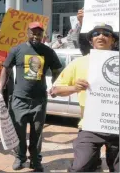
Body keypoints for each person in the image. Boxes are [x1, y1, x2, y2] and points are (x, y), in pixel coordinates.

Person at [51, 23, 119, 172]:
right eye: (96, 34)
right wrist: (74, 87)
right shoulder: (79, 63)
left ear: (113, 40)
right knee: (80, 167)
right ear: (90, 41)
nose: (101, 36)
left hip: (117, 127)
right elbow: (55, 90)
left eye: (106, 34)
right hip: (90, 126)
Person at [0, 22, 63, 172]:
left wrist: (54, 85)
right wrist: (0, 91)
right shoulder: (17, 50)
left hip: (39, 101)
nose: (35, 36)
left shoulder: (48, 52)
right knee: (19, 131)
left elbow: (57, 69)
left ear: (43, 35)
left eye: (39, 33)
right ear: (27, 33)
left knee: (37, 133)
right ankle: (20, 158)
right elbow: (5, 70)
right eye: (32, 33)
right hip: (19, 99)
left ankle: (35, 160)